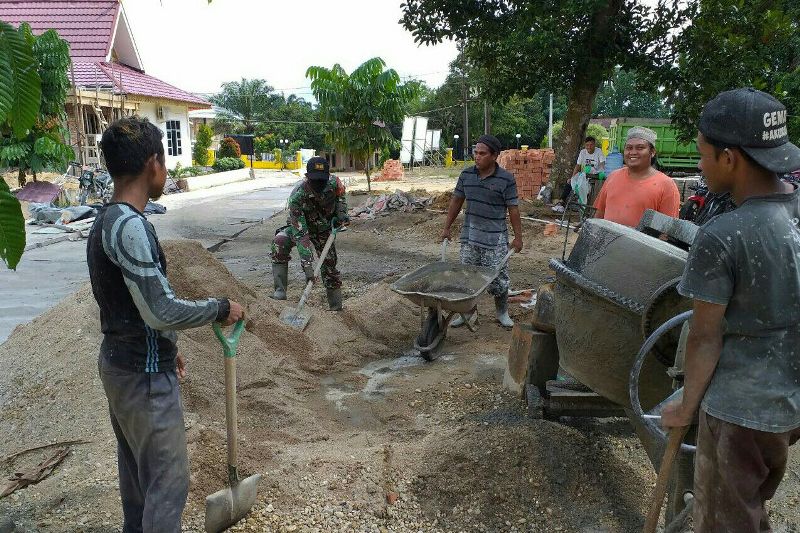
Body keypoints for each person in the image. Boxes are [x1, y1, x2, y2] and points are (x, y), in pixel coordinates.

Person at [87, 117, 244, 532]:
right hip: (142, 376)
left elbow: (134, 309)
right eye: (165, 160)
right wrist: (219, 307)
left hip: (123, 366)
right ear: (152, 164)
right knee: (167, 485)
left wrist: (168, 348)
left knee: (139, 484)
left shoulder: (106, 220)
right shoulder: (129, 227)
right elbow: (160, 310)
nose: (167, 170)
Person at [661, 88, 800, 532]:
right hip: (789, 402)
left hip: (739, 411)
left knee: (726, 522)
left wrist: (686, 405)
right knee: (753, 504)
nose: (699, 166)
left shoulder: (724, 234)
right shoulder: (795, 214)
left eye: (702, 155)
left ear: (730, 158)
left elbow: (705, 335)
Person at [441, 134, 523, 328]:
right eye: (475, 153)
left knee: (499, 280)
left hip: (495, 241)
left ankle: (502, 313)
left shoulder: (506, 179)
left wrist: (518, 238)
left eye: (482, 153)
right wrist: (446, 228)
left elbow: (513, 209)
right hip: (470, 237)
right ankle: (468, 314)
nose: (477, 157)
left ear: (494, 156)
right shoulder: (466, 176)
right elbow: (456, 201)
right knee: (467, 277)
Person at [271, 156, 349, 310]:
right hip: (301, 227)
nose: (319, 184)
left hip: (324, 229)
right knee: (279, 241)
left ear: (328, 176)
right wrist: (307, 266)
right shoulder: (297, 197)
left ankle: (336, 308)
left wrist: (341, 213)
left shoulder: (334, 183)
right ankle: (279, 293)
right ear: (307, 177)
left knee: (329, 265)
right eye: (315, 180)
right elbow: (301, 235)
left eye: (322, 180)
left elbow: (341, 197)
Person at [593, 126, 680, 227]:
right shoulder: (613, 177)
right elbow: (599, 215)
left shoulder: (666, 185)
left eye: (640, 148)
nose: (633, 152)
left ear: (652, 152)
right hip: (606, 242)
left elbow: (666, 231)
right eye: (629, 148)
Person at [554, 136, 607, 210]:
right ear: (585, 145)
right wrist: (573, 177)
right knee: (570, 182)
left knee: (588, 187)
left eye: (591, 145)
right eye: (587, 145)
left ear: (594, 145)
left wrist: (601, 171)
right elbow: (578, 166)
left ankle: (583, 205)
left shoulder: (599, 151)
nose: (589, 147)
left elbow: (602, 163)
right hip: (584, 175)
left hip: (595, 176)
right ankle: (561, 202)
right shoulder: (583, 152)